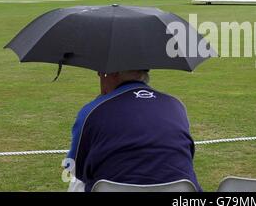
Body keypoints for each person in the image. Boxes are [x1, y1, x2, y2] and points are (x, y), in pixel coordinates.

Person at [66, 70, 202, 192]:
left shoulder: (92, 111)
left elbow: (74, 167)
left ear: (113, 73)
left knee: (75, 181)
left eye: (101, 73)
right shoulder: (176, 105)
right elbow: (186, 157)